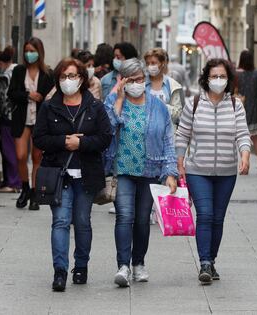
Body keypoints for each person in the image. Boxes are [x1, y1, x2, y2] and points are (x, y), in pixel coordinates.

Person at [33, 58, 112, 292]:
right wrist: (63, 142)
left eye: (73, 76)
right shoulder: (49, 106)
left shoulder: (95, 106)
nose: (69, 81)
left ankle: (81, 266)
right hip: (59, 174)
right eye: (64, 76)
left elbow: (105, 137)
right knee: (59, 222)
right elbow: (39, 138)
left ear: (82, 79)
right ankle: (59, 271)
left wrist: (82, 143)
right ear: (58, 80)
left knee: (82, 222)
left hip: (87, 174)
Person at [175, 58, 251, 285]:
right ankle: (205, 262)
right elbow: (183, 134)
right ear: (206, 79)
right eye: (214, 76)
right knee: (205, 215)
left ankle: (212, 259)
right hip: (198, 170)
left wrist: (245, 155)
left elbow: (243, 134)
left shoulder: (236, 105)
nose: (218, 80)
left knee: (218, 218)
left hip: (227, 172)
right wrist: (179, 161)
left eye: (222, 76)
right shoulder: (194, 103)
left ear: (228, 80)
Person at [104, 58, 178, 287]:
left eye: (140, 79)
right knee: (125, 217)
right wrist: (118, 99)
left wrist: (171, 172)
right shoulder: (113, 100)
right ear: (122, 80)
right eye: (131, 80)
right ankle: (123, 266)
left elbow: (168, 140)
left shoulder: (157, 107)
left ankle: (138, 264)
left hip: (150, 169)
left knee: (142, 220)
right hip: (123, 170)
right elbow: (107, 130)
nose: (137, 84)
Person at [8, 37, 54, 210]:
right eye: (27, 50)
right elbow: (11, 93)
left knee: (37, 157)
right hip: (22, 119)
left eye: (33, 51)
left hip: (40, 121)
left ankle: (35, 192)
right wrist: (28, 94)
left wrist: (41, 97)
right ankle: (25, 187)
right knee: (20, 155)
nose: (29, 54)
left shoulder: (48, 73)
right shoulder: (19, 71)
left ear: (39, 52)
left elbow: (51, 96)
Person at [0, 46, 22, 192]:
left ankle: (13, 183)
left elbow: (1, 100)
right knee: (17, 150)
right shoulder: (19, 70)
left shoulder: (5, 77)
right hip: (19, 116)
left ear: (0, 63)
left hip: (7, 118)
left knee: (9, 150)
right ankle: (13, 180)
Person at [237, 50, 257, 174]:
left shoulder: (238, 75)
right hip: (253, 110)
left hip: (240, 110)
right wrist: (256, 102)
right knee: (255, 139)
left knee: (241, 139)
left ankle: (244, 165)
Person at [144, 48, 185, 127]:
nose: (150, 66)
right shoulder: (141, 83)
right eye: (147, 63)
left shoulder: (173, 85)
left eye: (153, 63)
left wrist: (160, 105)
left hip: (166, 134)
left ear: (162, 63)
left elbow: (178, 114)